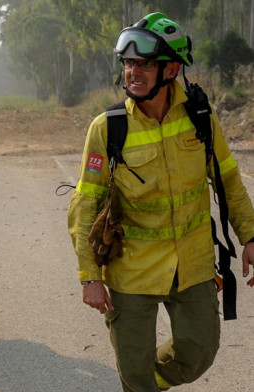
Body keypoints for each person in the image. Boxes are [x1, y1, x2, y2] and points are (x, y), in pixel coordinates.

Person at [67, 12, 254, 392]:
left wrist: (249, 235)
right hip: (130, 271)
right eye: (129, 63)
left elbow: (227, 179)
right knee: (133, 371)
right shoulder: (107, 128)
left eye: (145, 64)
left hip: (193, 263)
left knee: (199, 351)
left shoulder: (200, 115)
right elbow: (86, 204)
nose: (133, 72)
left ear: (170, 70)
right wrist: (89, 276)